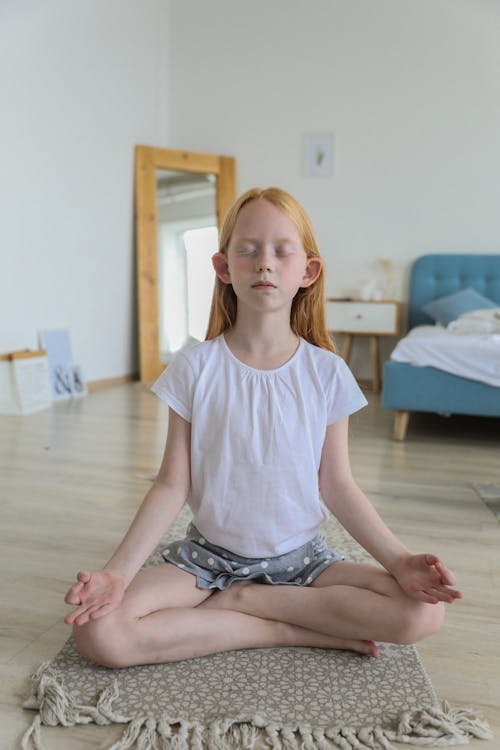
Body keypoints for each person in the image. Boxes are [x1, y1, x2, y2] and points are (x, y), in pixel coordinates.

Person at [64, 187, 462, 668]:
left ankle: (246, 604)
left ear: (307, 272)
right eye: (248, 250)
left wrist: (399, 561)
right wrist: (117, 574)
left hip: (305, 563)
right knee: (100, 634)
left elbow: (338, 486)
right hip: (208, 562)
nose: (264, 263)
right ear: (224, 268)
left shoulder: (326, 372)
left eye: (280, 250)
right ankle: (283, 628)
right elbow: (172, 484)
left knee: (422, 615)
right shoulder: (194, 367)